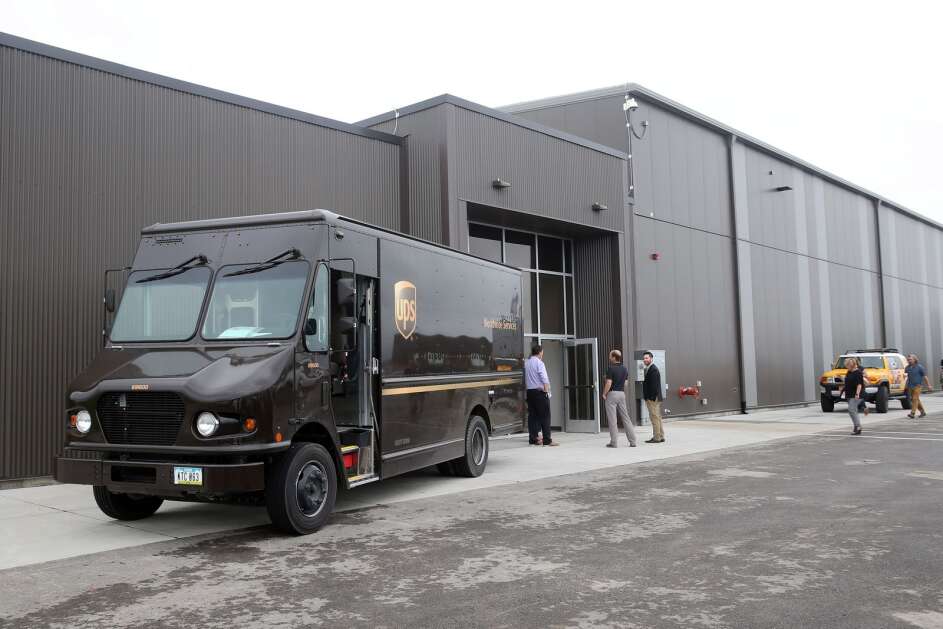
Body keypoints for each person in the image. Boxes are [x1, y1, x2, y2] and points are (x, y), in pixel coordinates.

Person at [602, 349, 638, 448]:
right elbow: (625, 383)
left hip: (612, 394)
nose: (609, 357)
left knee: (612, 419)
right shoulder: (624, 369)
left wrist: (604, 393)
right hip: (622, 394)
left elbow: (609, 383)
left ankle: (614, 442)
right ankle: (633, 441)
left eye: (610, 356)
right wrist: (621, 391)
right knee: (626, 418)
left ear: (614, 357)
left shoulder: (611, 368)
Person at [524, 344, 558, 446]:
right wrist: (546, 390)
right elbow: (544, 378)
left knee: (532, 416)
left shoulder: (527, 363)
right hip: (540, 392)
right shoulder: (539, 363)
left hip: (530, 392)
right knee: (545, 416)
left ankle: (533, 439)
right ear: (540, 352)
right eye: (542, 352)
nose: (542, 354)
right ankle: (547, 440)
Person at [641, 351, 665, 443]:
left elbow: (654, 386)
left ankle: (656, 438)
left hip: (653, 398)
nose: (645, 360)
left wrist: (650, 398)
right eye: (644, 358)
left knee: (654, 417)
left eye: (646, 358)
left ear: (651, 358)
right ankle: (661, 436)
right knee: (657, 417)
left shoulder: (653, 369)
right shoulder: (650, 368)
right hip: (655, 397)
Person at [905, 354, 933, 419]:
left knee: (915, 399)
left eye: (910, 359)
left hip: (918, 386)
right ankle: (922, 412)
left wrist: (929, 385)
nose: (909, 361)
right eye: (908, 360)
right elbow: (907, 377)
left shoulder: (920, 367)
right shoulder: (907, 368)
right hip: (910, 386)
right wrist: (906, 385)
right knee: (915, 399)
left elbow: (925, 377)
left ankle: (912, 413)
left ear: (915, 360)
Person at [842, 357, 864, 435]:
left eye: (847, 365)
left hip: (856, 395)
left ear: (851, 365)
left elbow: (859, 385)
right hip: (849, 394)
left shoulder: (858, 373)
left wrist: (857, 394)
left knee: (851, 410)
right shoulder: (849, 372)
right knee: (853, 411)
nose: (846, 367)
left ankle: (858, 427)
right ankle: (856, 426)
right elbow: (848, 381)